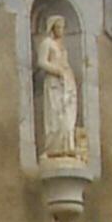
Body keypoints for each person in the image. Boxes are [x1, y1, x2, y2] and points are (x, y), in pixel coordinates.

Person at [37, 15, 79, 158]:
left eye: (63, 27)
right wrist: (57, 71)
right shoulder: (47, 43)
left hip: (66, 84)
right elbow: (42, 62)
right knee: (55, 117)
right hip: (54, 84)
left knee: (68, 116)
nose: (61, 30)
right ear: (52, 28)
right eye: (59, 27)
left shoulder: (61, 46)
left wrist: (67, 74)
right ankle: (54, 149)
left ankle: (68, 146)